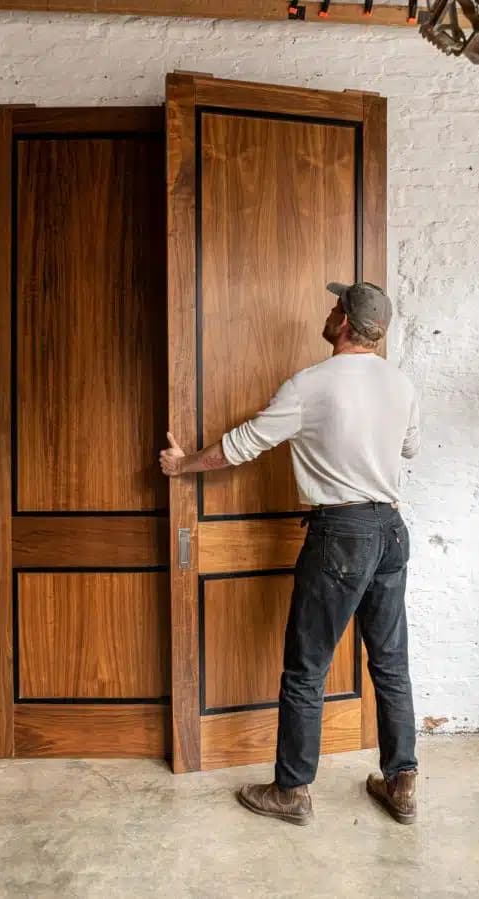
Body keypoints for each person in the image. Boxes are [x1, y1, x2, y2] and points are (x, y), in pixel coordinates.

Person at [160, 282, 420, 827]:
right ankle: (402, 782)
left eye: (335, 307)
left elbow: (244, 443)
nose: (328, 312)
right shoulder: (400, 384)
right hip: (391, 529)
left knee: (306, 669)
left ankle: (292, 791)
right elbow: (408, 447)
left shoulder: (311, 385)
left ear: (346, 322)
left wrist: (182, 466)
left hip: (340, 533)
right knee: (390, 663)